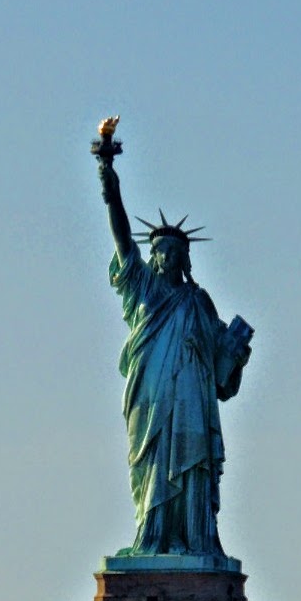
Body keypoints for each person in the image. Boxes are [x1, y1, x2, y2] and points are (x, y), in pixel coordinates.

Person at [93, 116, 253, 558]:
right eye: (159, 250)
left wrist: (236, 352)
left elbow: (222, 376)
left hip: (192, 404)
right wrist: (108, 172)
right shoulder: (141, 288)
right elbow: (121, 231)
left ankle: (196, 540)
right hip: (152, 397)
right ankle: (153, 536)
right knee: (152, 469)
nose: (165, 257)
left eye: (173, 252)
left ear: (184, 258)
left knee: (193, 466)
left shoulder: (198, 302)